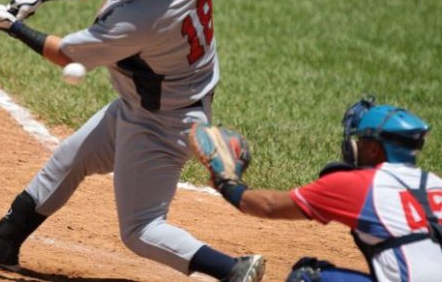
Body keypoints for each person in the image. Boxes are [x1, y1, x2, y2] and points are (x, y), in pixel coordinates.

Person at [0, 0, 265, 282]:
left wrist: (12, 27)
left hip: (163, 124)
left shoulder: (140, 20)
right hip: (148, 105)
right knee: (68, 159)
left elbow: (65, 54)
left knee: (141, 229)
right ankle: (3, 244)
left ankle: (233, 271)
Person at [189, 97, 442, 281]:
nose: (353, 146)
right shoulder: (435, 184)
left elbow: (269, 206)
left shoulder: (361, 185)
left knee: (307, 278)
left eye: (361, 140)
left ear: (375, 149)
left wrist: (227, 184)